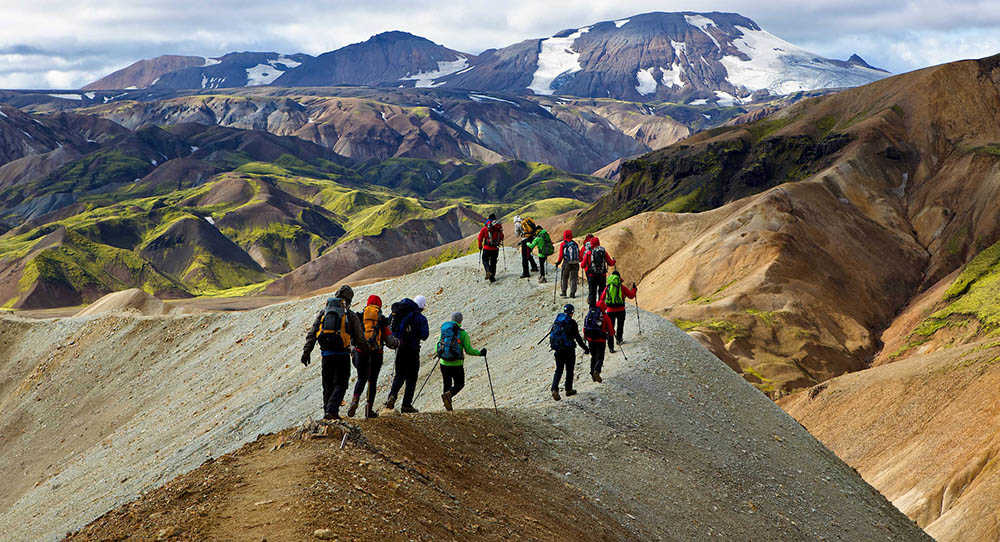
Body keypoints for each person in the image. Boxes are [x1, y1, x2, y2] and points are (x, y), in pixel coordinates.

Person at [301, 285, 369, 420]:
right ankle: (332, 411)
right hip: (342, 355)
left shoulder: (324, 313)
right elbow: (359, 338)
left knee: (327, 385)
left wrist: (306, 351)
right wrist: (366, 351)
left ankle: (327, 413)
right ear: (349, 300)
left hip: (326, 355)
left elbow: (312, 333)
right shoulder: (350, 315)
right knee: (341, 384)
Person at [347, 295, 399, 418]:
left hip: (361, 353)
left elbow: (351, 336)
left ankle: (355, 400)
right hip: (376, 354)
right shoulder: (381, 320)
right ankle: (369, 409)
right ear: (379, 305)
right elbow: (390, 340)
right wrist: (397, 343)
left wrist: (353, 351)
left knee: (361, 378)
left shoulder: (359, 317)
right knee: (372, 381)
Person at [385, 295, 430, 413]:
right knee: (412, 378)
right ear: (422, 306)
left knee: (399, 375)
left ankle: (392, 396)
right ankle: (406, 405)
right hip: (413, 350)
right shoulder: (420, 318)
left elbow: (389, 327)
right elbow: (425, 335)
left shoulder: (399, 312)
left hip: (400, 348)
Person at [435, 312, 486, 411]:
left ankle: (448, 408)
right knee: (459, 384)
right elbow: (468, 350)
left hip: (443, 363)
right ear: (461, 321)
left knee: (447, 384)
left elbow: (438, 345)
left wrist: (441, 354)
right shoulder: (463, 334)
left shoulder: (444, 331)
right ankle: (449, 396)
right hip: (457, 364)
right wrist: (480, 353)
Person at [548, 304, 589, 401]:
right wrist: (585, 348)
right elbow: (578, 338)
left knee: (558, 370)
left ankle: (554, 389)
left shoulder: (558, 320)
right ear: (572, 312)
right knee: (569, 370)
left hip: (558, 350)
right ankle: (568, 389)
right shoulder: (572, 323)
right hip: (569, 350)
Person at [599, 271, 638, 344]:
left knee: (610, 327)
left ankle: (610, 342)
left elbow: (601, 298)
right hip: (621, 310)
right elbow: (631, 296)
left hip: (610, 310)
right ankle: (619, 340)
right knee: (620, 325)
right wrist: (634, 289)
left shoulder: (608, 287)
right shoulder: (621, 287)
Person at [583, 302, 615, 382]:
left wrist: (586, 337)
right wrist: (612, 334)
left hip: (590, 339)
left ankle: (592, 374)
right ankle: (597, 371)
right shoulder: (605, 316)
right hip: (601, 340)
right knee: (600, 357)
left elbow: (585, 327)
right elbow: (611, 331)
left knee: (593, 357)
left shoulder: (590, 315)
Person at [581, 236, 615, 306]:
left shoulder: (588, 252)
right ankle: (601, 307)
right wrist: (614, 261)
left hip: (592, 275)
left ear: (591, 244)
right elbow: (610, 263)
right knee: (602, 291)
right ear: (598, 243)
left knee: (592, 292)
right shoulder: (603, 251)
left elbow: (582, 265)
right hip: (602, 275)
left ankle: (592, 308)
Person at [477, 214, 504, 283]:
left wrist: (480, 246)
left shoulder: (485, 228)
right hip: (495, 248)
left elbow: (480, 238)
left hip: (487, 248)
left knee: (485, 260)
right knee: (493, 262)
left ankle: (488, 271)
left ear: (489, 219)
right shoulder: (498, 227)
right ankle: (492, 277)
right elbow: (502, 237)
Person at [554, 230, 580, 298]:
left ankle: (564, 292)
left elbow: (561, 256)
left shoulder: (563, 244)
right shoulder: (575, 244)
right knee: (574, 278)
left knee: (564, 277)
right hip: (575, 263)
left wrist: (558, 262)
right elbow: (579, 254)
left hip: (567, 263)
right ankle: (572, 293)